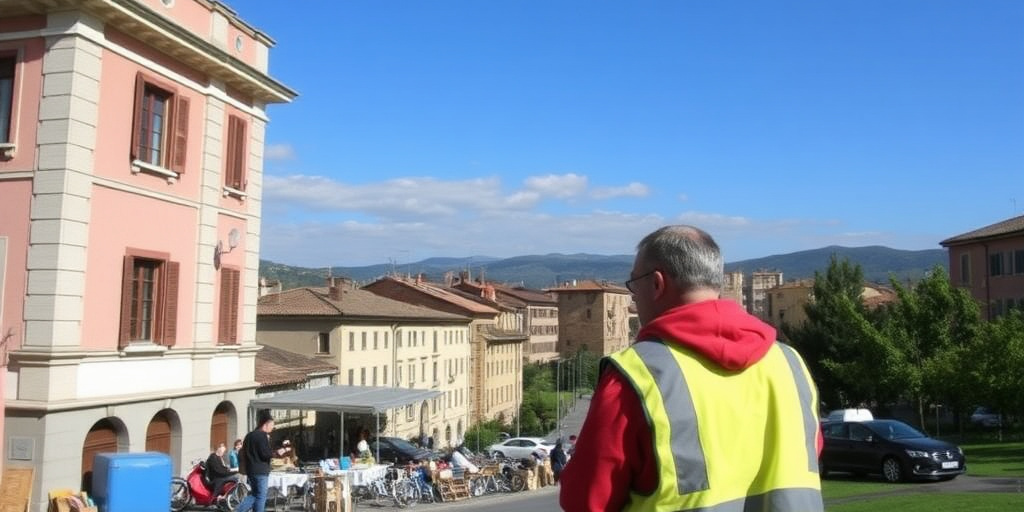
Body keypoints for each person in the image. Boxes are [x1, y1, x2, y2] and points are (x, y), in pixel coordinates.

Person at [559, 225, 824, 511]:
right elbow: (812, 451)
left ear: (657, 284)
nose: (633, 296)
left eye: (634, 284)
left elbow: (586, 499)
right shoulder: (789, 362)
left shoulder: (637, 374)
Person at [237, 411, 284, 512]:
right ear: (266, 424)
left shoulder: (249, 435)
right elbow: (265, 454)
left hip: (250, 470)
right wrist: (276, 452)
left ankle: (239, 510)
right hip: (260, 471)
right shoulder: (262, 436)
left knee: (255, 494)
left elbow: (243, 452)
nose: (272, 428)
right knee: (260, 496)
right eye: (272, 425)